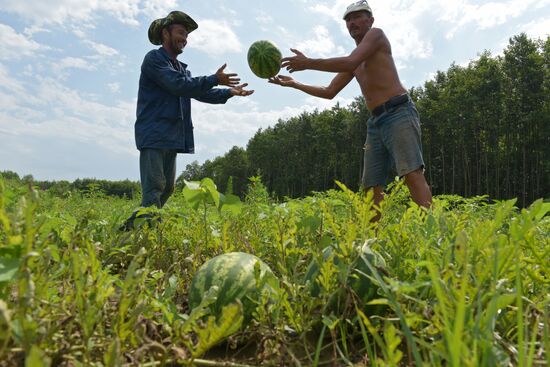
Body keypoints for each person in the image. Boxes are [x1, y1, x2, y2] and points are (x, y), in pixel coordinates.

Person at [269, 0, 431, 220]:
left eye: (357, 17)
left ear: (370, 20)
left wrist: (308, 63)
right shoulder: (354, 60)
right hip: (375, 123)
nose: (352, 22)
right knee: (371, 186)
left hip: (398, 112)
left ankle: (433, 230)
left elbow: (348, 61)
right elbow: (329, 91)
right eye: (348, 19)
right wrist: (295, 84)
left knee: (411, 173)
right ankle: (371, 240)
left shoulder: (376, 35)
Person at [122, 10, 254, 230]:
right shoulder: (154, 60)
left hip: (171, 135)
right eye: (181, 32)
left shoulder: (181, 69)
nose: (185, 38)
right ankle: (146, 232)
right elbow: (178, 85)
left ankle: (131, 229)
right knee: (154, 188)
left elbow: (197, 92)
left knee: (166, 189)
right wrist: (213, 78)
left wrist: (229, 92)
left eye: (187, 35)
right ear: (166, 33)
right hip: (154, 133)